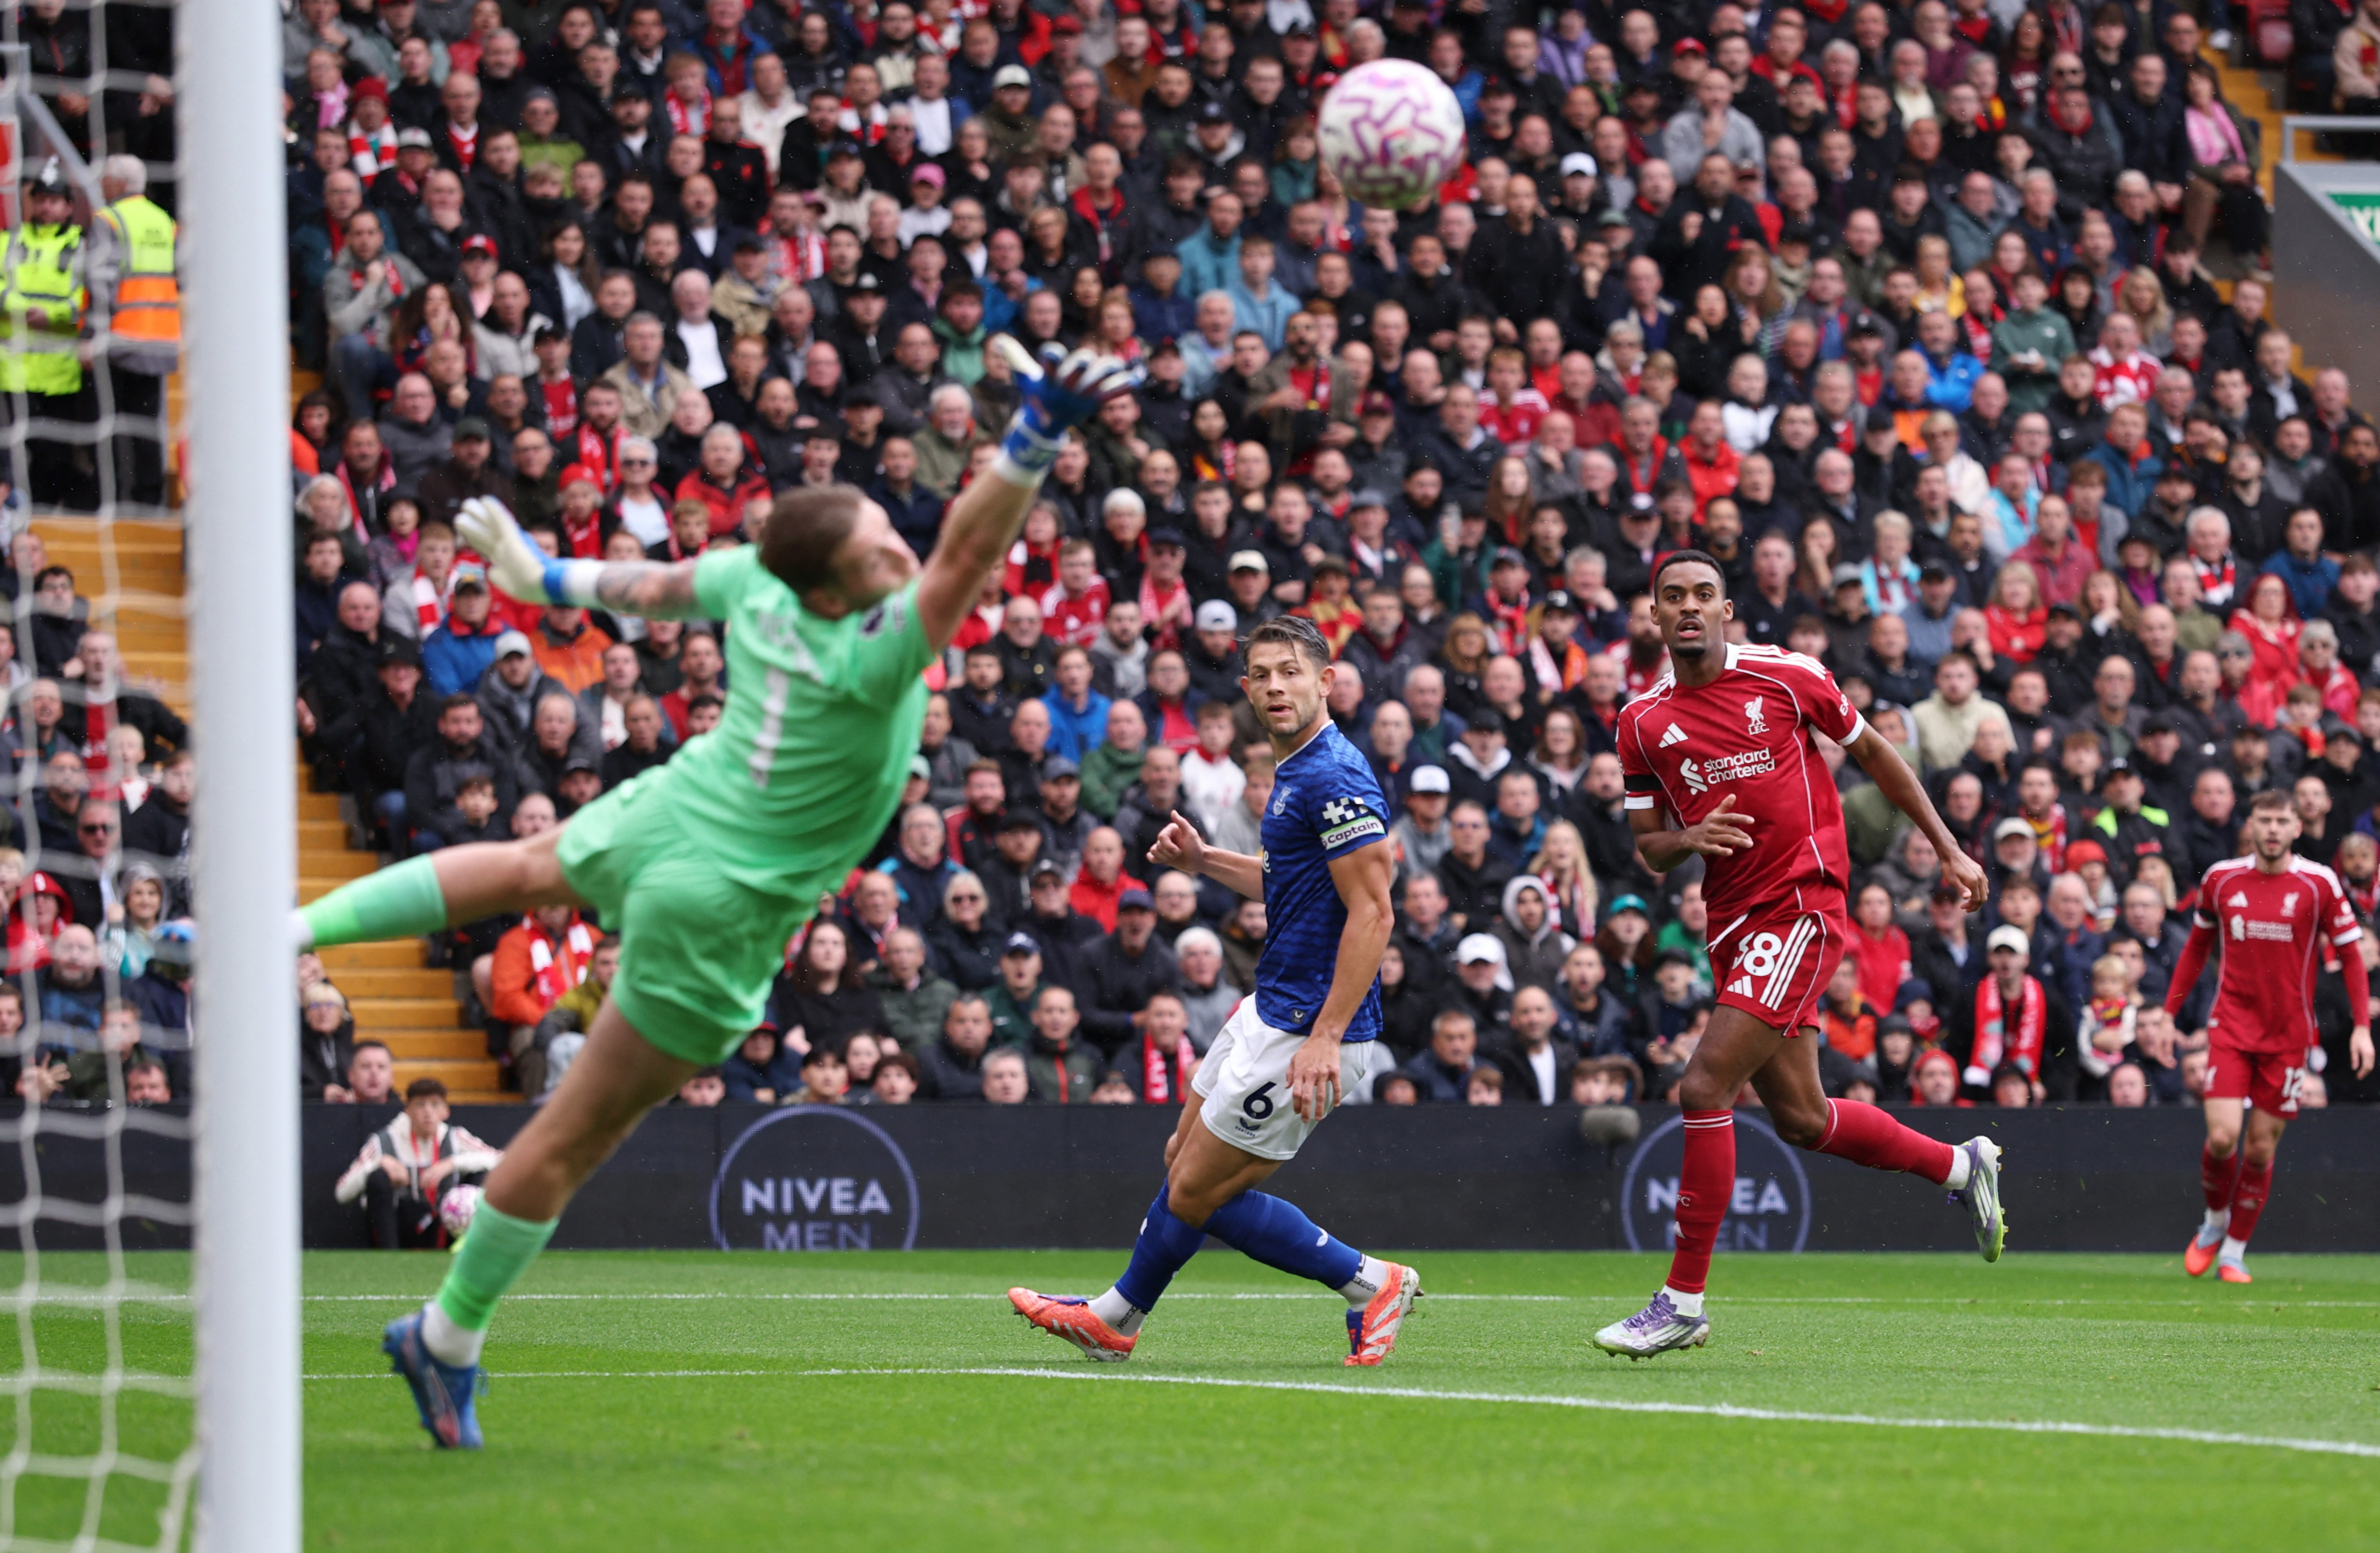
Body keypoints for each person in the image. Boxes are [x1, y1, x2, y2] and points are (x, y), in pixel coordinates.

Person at [299, 340, 1144, 1448]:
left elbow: (642, 590)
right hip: (721, 903)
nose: (901, 549)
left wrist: (539, 578)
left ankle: (287, 931)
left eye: (891, 531)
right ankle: (445, 1337)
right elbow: (969, 551)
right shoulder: (874, 655)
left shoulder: (758, 578)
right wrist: (1031, 434)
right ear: (837, 588)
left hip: (674, 804)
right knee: (569, 1135)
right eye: (878, 550)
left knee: (523, 866)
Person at [1593, 550, 2005, 1360]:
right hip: (1730, 924)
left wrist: (1950, 850)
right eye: (1671, 596)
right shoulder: (1641, 722)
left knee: (1704, 1083)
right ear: (1651, 615)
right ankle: (1961, 1167)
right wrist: (1689, 836)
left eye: (1703, 595)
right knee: (1804, 1120)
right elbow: (1648, 847)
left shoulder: (1786, 676)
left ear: (1726, 608)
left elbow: (1879, 756)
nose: (1687, 608)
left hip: (1802, 903)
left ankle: (1681, 1301)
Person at [1007, 616, 1421, 1367]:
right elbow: (1290, 876)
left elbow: (1375, 909)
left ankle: (1123, 1317)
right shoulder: (1295, 766)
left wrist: (1327, 1036)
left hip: (1311, 1025)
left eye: (1290, 671)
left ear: (1325, 681)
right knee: (1182, 1165)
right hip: (1271, 1005)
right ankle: (1362, 1282)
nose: (1275, 686)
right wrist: (1203, 862)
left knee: (1198, 1191)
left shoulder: (1334, 773)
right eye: (1261, 674)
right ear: (1245, 691)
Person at [2162, 789, 2372, 1285]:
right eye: (2265, 820)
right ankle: (2214, 1223)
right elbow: (2196, 948)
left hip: (2288, 1037)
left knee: (2258, 1149)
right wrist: (2170, 1013)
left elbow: (2351, 956)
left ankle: (2234, 1252)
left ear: (2297, 828)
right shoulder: (2221, 879)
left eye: (2282, 820)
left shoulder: (2318, 884)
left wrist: (2362, 1026)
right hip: (2231, 1026)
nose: (2273, 829)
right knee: (2221, 1137)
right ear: (2251, 826)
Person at [331, 1078, 503, 1248]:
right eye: (420, 1105)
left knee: (481, 1175)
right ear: (408, 1111)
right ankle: (388, 1255)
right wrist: (379, 1163)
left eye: (435, 1105)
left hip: (444, 1224)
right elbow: (342, 1193)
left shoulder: (455, 1137)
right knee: (378, 1178)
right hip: (401, 1224)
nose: (428, 1112)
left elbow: (501, 1160)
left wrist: (452, 1163)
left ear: (446, 1111)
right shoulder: (385, 1140)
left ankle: (468, 1247)